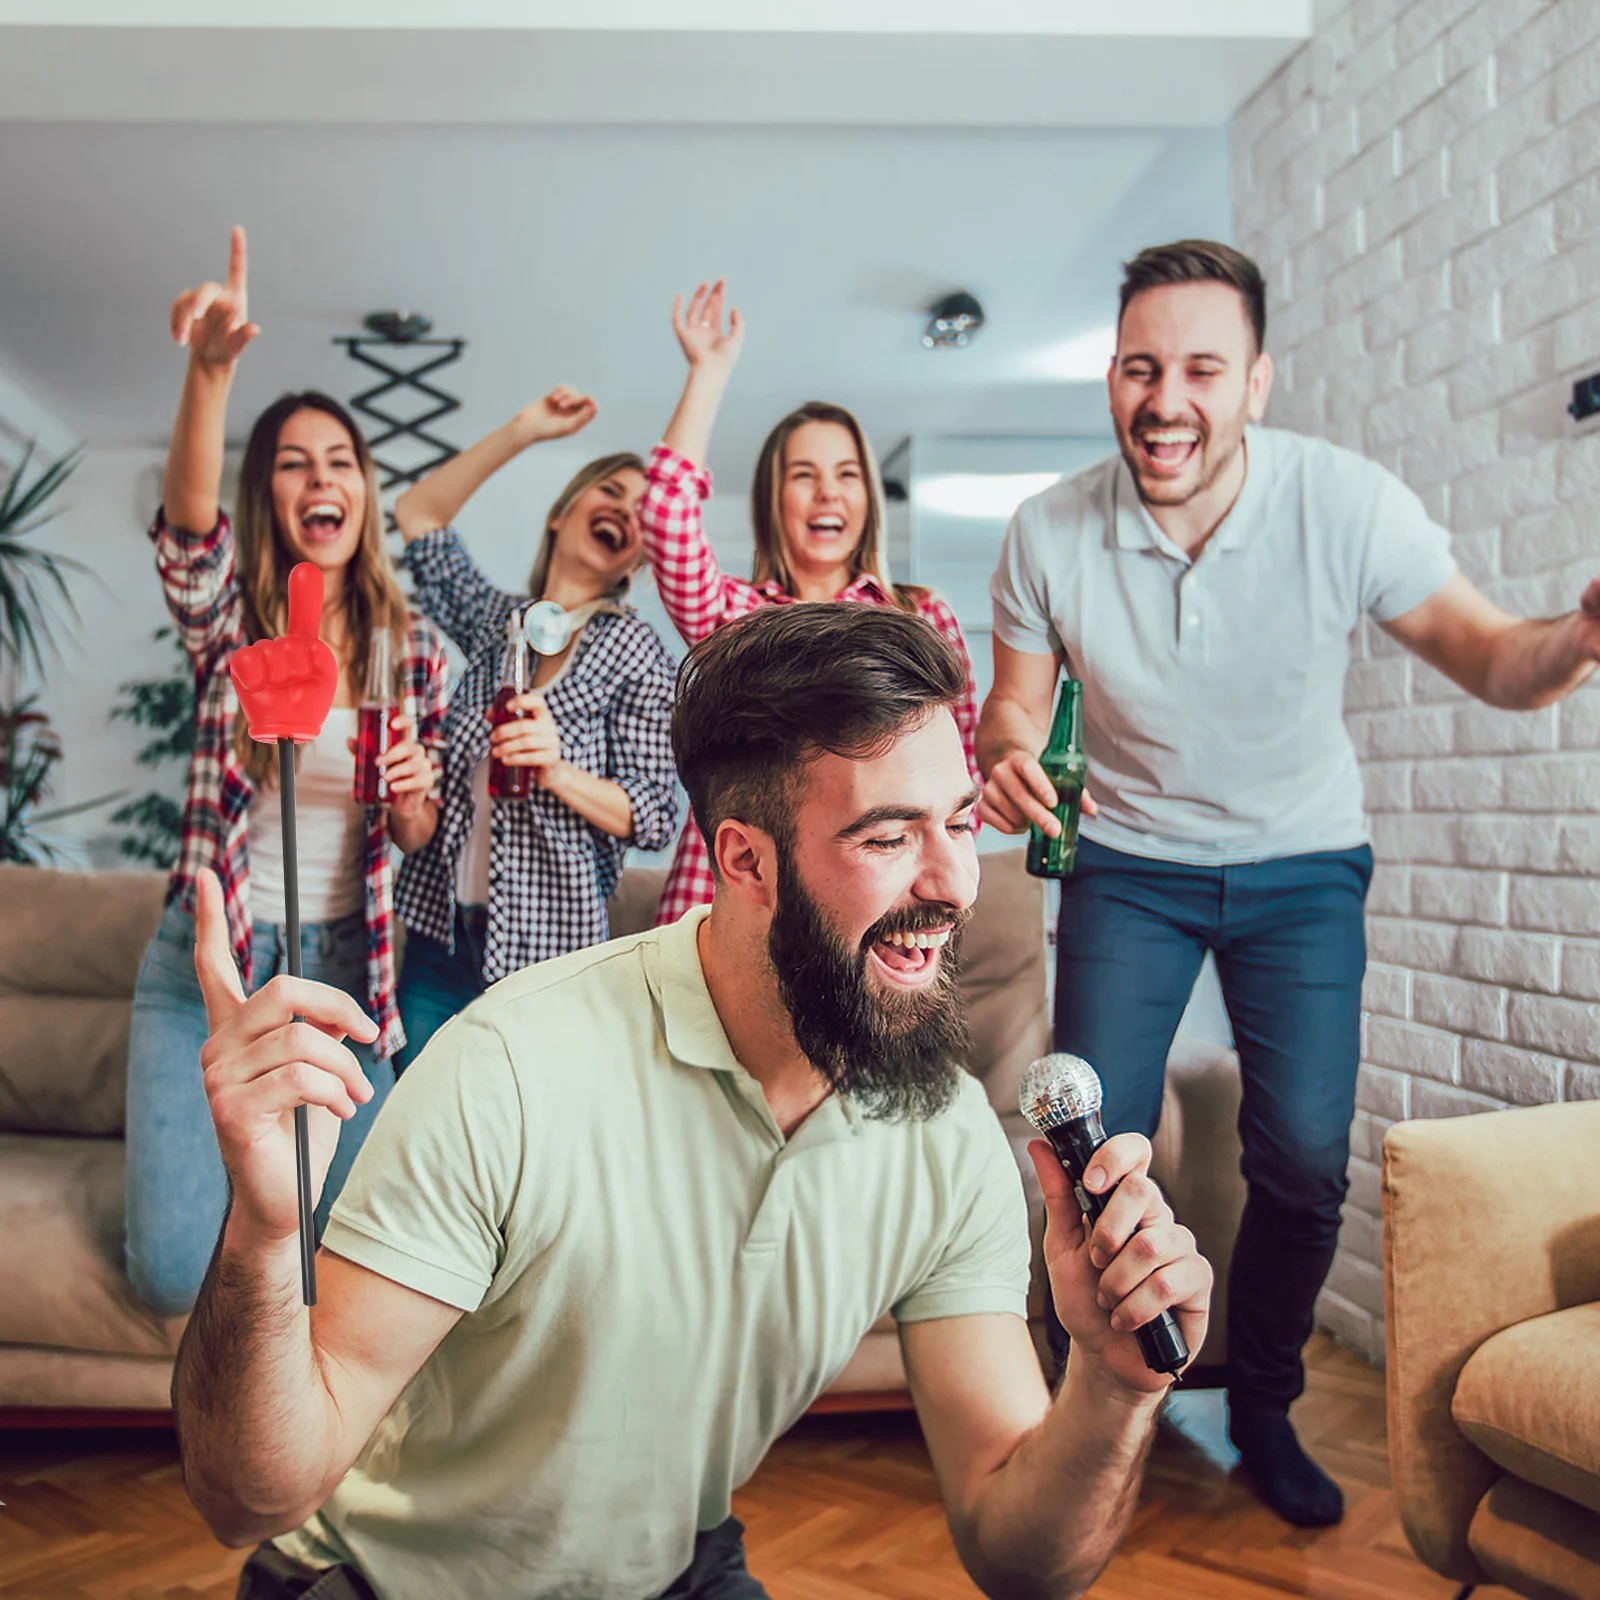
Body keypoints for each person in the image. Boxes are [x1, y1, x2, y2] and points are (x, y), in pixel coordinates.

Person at [171, 603, 1212, 1600]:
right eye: (888, 838)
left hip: (664, 1573)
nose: (954, 883)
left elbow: (1022, 1560)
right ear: (745, 860)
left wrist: (1112, 1384)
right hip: (383, 1583)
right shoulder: (511, 1068)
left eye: (960, 822)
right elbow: (251, 1497)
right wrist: (264, 1232)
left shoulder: (944, 1133)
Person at [978, 236, 1600, 1529]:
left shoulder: (1345, 502)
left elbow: (1496, 657)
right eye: (1141, 368)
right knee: (1092, 1152)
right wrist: (1005, 756)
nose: (1167, 400)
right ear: (1111, 376)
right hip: (1129, 869)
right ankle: (1086, 1407)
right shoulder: (1048, 530)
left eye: (1203, 369)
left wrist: (1581, 635)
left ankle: (1260, 1403)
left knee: (1306, 1162)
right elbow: (1012, 710)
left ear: (1256, 382)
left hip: (1302, 868)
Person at [123, 227, 449, 1317]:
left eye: (341, 460)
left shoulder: (414, 651)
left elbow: (414, 834)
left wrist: (413, 797)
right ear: (268, 492)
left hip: (348, 973)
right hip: (212, 965)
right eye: (294, 462)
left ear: (363, 489)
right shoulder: (231, 631)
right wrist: (211, 371)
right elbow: (188, 538)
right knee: (168, 1271)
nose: (322, 478)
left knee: (362, 1254)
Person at [639, 280, 979, 924]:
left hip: (874, 907)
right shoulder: (736, 623)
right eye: (804, 475)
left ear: (868, 496)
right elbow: (663, 513)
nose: (828, 493)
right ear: (774, 500)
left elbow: (962, 785)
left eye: (846, 474)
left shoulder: (920, 617)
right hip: (731, 904)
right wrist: (709, 373)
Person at [390, 388, 679, 1067]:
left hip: (552, 956)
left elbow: (656, 816)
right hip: (438, 941)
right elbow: (416, 514)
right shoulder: (496, 624)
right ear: (561, 514)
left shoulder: (635, 650)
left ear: (639, 558)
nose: (624, 510)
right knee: (419, 1123)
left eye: (640, 513)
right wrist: (524, 430)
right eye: (609, 491)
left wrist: (555, 771)